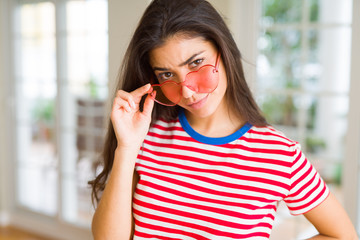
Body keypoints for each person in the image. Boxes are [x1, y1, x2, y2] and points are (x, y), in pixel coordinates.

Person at [89, 0, 358, 239]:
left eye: (195, 64)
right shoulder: (147, 136)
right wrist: (126, 148)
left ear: (224, 49)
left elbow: (342, 235)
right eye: (167, 75)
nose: (187, 90)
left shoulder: (279, 154)